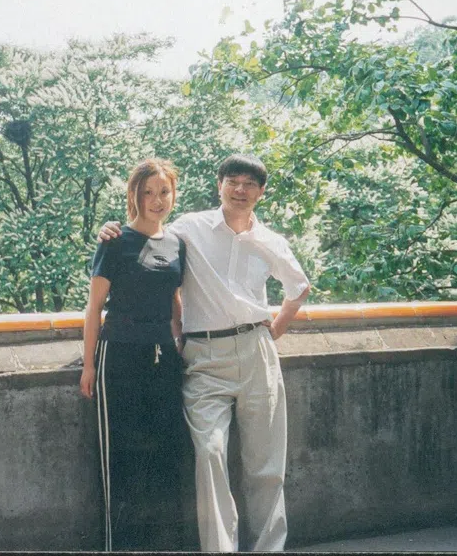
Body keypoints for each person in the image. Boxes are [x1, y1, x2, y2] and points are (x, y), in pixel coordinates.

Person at [98, 154, 310, 552]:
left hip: (256, 353)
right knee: (209, 453)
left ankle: (269, 548)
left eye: (250, 184)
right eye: (233, 181)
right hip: (204, 357)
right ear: (220, 186)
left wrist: (273, 331)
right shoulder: (189, 229)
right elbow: (148, 230)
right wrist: (111, 229)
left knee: (265, 465)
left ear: (261, 192)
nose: (241, 190)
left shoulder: (271, 241)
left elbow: (298, 288)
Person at [80, 158, 189, 551]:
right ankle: (118, 546)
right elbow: (94, 308)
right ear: (134, 196)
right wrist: (89, 364)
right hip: (119, 357)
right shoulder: (115, 241)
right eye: (148, 192)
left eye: (164, 191)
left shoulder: (177, 243)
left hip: (164, 359)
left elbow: (175, 299)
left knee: (164, 453)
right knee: (120, 456)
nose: (157, 200)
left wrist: (181, 342)